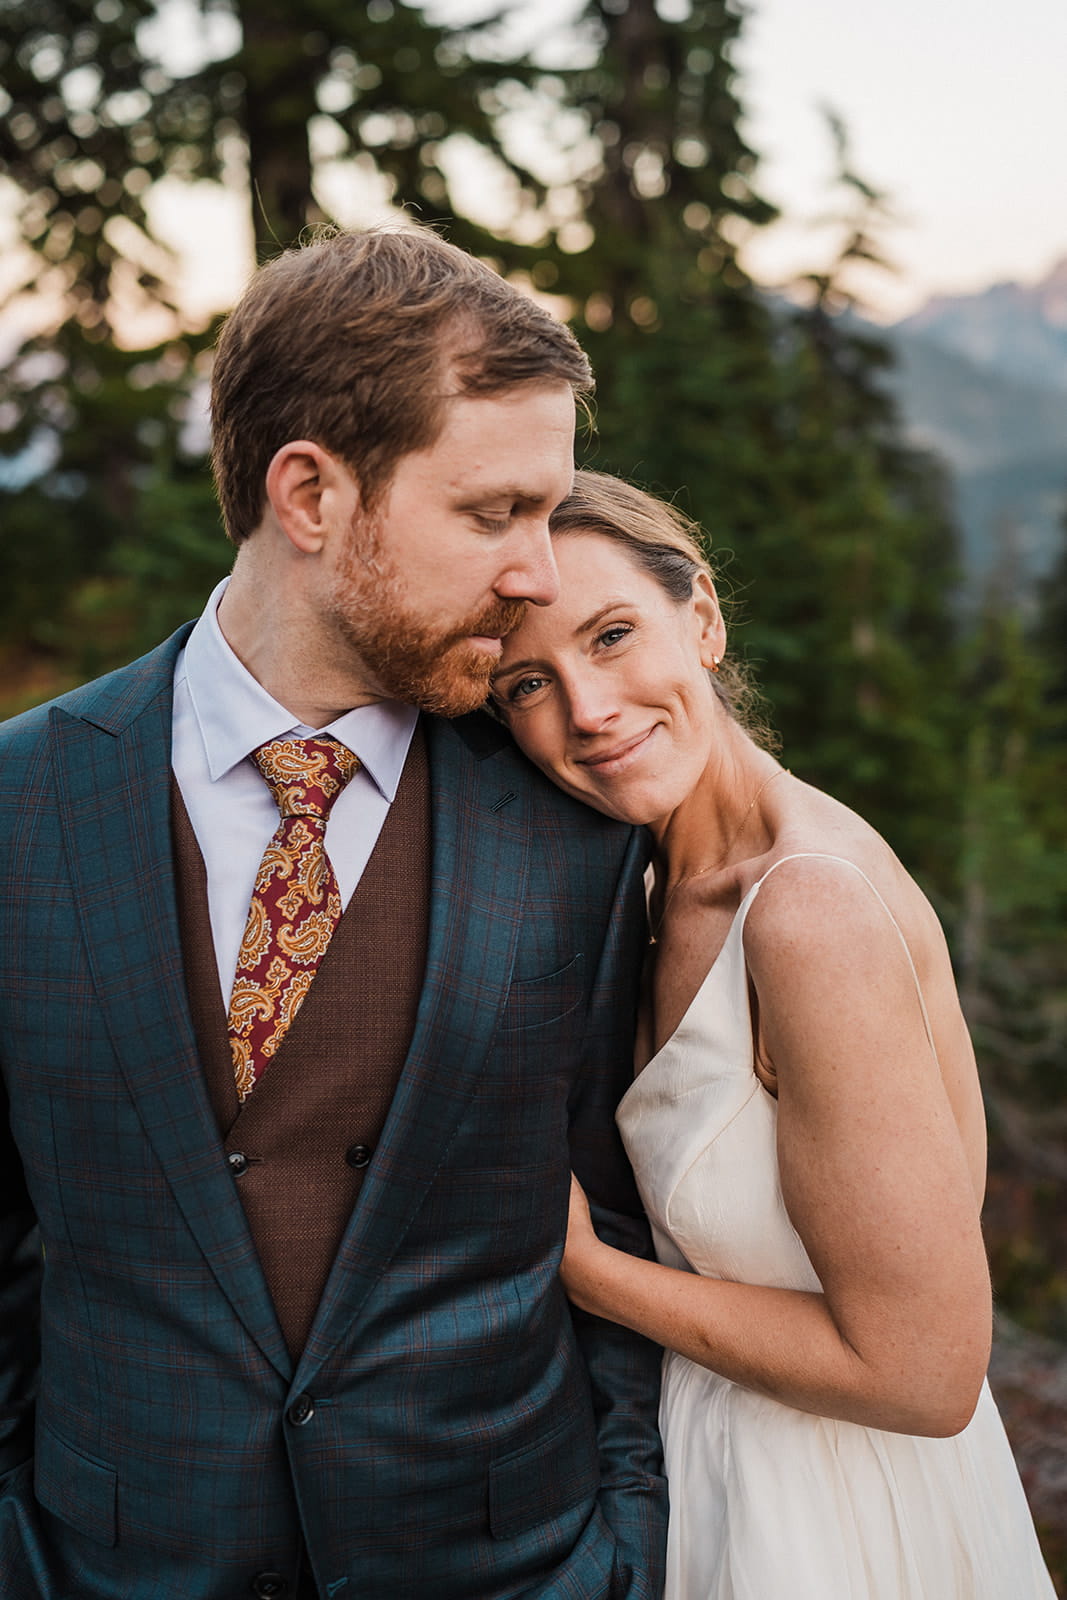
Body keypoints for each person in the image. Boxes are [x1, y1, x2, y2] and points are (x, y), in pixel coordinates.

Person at [0, 234, 668, 1599]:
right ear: (308, 492)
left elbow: (629, 1218)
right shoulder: (19, 805)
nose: (538, 572)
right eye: (494, 514)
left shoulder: (574, 820)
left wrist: (620, 1550)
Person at [492, 468, 1056, 1600]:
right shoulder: (654, 889)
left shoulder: (803, 909)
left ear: (699, 616)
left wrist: (585, 1269)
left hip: (835, 1523)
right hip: (711, 1480)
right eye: (525, 685)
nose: (587, 709)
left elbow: (923, 1372)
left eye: (611, 635)